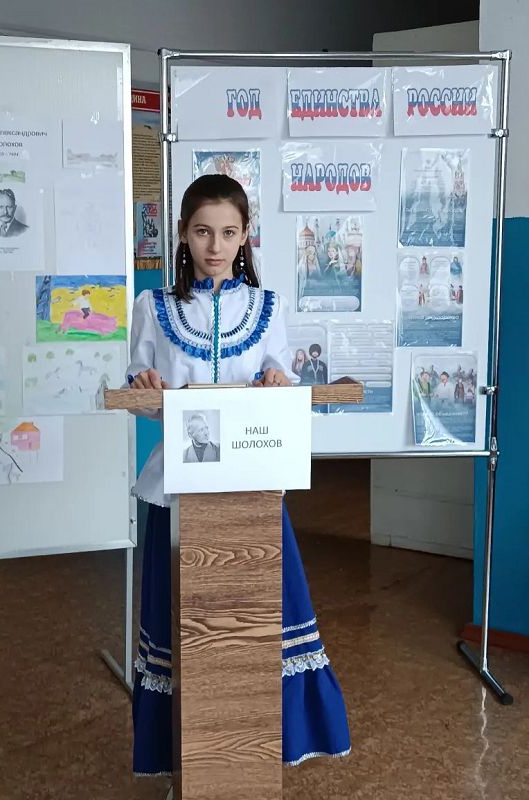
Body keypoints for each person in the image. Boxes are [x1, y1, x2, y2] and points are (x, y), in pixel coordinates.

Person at [125, 175, 350, 782]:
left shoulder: (268, 307)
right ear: (182, 234)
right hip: (177, 492)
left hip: (251, 488)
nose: (215, 246)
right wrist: (146, 387)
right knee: (179, 627)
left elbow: (280, 379)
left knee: (266, 618)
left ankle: (252, 752)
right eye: (203, 232)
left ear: (246, 235)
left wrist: (278, 382)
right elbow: (138, 391)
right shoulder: (153, 308)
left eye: (228, 233)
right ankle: (189, 757)